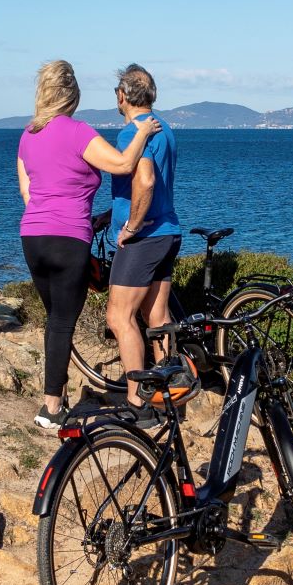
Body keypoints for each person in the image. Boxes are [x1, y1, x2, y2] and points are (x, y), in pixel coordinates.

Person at [17, 59, 158, 429]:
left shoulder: (27, 135)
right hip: (68, 238)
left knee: (54, 320)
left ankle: (56, 397)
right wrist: (142, 131)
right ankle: (50, 409)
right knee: (63, 322)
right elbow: (124, 164)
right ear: (73, 97)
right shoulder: (78, 132)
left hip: (32, 237)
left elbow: (27, 191)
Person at [105, 63, 180, 410]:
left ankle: (137, 400)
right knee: (157, 316)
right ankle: (170, 395)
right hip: (167, 233)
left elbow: (146, 181)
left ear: (122, 96)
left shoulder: (131, 133)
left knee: (119, 317)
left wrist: (131, 226)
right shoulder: (164, 129)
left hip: (144, 238)